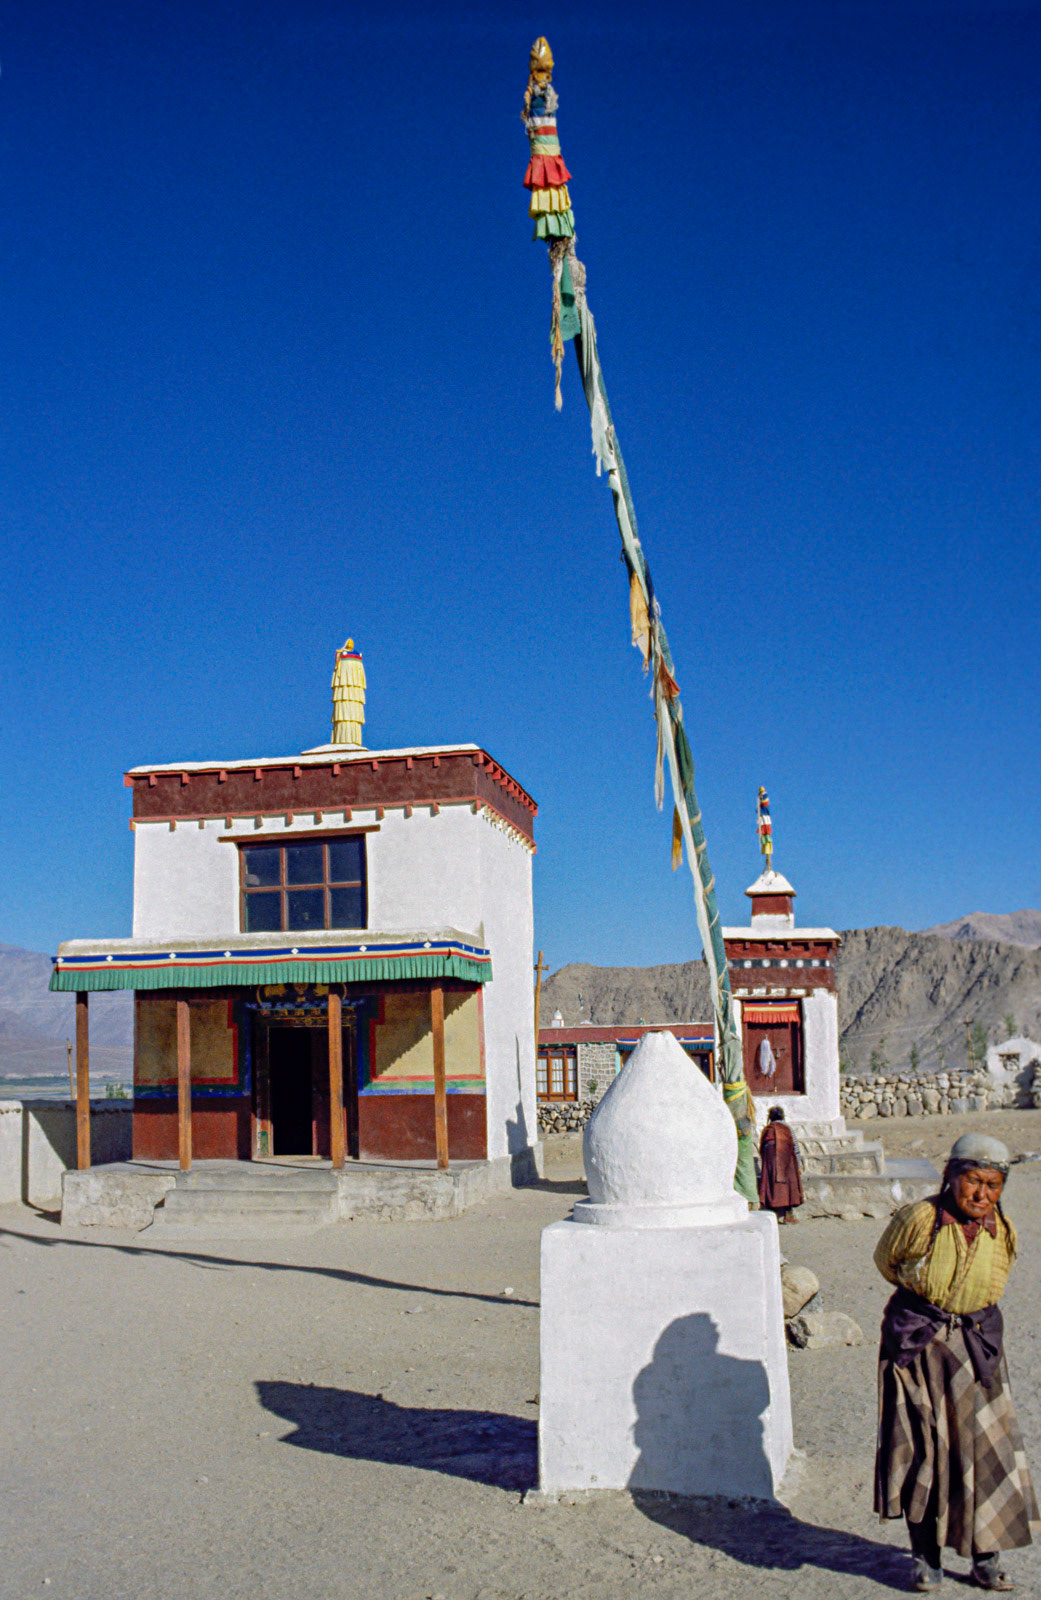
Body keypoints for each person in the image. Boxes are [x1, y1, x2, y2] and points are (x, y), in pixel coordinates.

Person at [873, 1133, 1038, 1592]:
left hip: (977, 1347)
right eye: (972, 1182)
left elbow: (997, 1279)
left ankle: (986, 1558)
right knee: (922, 1451)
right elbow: (887, 1262)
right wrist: (932, 1312)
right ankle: (925, 1558)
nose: (982, 1195)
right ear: (950, 1178)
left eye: (993, 1185)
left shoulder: (1002, 1229)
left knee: (986, 1453)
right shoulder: (920, 1219)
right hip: (918, 1349)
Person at [757, 1105, 803, 1223]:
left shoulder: (767, 1129)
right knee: (786, 1186)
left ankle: (775, 1213)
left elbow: (761, 1149)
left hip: (770, 1159)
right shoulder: (787, 1128)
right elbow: (796, 1148)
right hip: (786, 1160)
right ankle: (786, 1213)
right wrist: (798, 1164)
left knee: (773, 1184)